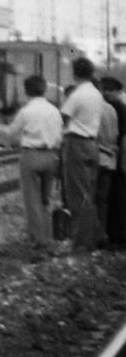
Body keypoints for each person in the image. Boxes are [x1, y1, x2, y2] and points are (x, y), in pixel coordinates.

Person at [8, 73, 65, 252]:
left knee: (32, 198)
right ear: (44, 89)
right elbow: (60, 135)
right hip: (51, 155)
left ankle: (38, 238)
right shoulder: (54, 111)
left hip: (31, 155)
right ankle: (48, 235)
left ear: (26, 91)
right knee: (46, 198)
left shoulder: (26, 111)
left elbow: (11, 133)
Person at [57, 56, 107, 254]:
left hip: (76, 143)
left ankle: (81, 243)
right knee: (89, 194)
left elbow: (62, 118)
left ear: (75, 73)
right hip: (92, 144)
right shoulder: (97, 94)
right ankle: (94, 236)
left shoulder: (77, 94)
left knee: (77, 195)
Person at [100, 74, 124, 248]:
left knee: (117, 196)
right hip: (115, 156)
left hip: (117, 157)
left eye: (111, 90)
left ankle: (118, 235)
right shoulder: (116, 107)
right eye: (105, 89)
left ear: (117, 91)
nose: (107, 93)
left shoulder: (118, 108)